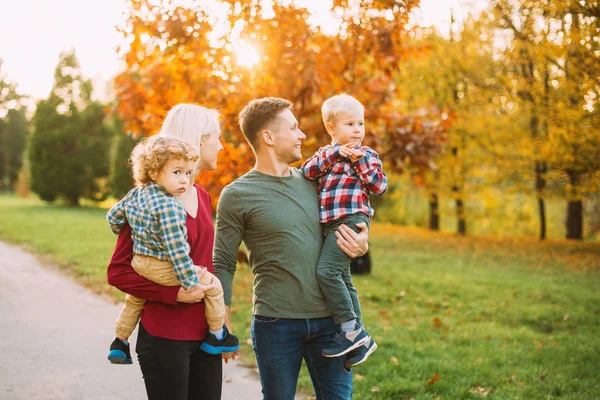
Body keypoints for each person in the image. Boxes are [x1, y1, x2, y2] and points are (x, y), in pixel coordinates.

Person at [213, 97, 370, 400]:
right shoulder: (237, 194)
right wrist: (221, 317)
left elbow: (352, 215)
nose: (303, 136)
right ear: (269, 137)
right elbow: (223, 261)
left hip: (331, 323)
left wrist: (362, 242)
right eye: (294, 128)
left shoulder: (318, 182)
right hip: (276, 325)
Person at [107, 104, 227, 400]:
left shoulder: (201, 194)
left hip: (205, 336)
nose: (221, 146)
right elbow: (118, 271)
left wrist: (221, 320)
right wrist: (174, 294)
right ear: (199, 141)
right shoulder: (147, 202)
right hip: (164, 336)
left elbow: (204, 261)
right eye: (217, 138)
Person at [301, 94, 387, 367]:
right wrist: (337, 153)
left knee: (326, 272)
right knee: (342, 275)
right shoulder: (326, 156)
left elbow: (379, 186)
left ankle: (351, 330)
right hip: (331, 223)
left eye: (360, 124)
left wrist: (359, 161)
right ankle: (358, 338)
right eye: (350, 124)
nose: (357, 130)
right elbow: (307, 171)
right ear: (331, 129)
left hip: (351, 220)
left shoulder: (369, 155)